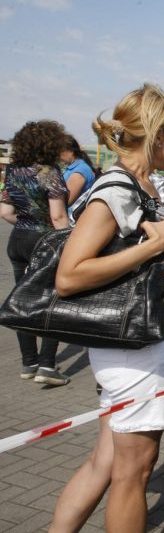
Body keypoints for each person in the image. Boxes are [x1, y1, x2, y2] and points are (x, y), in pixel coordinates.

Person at [50, 83, 164, 532]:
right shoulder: (117, 187)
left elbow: (139, 256)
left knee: (107, 461)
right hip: (135, 349)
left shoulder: (138, 184)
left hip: (135, 342)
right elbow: (69, 275)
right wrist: (155, 249)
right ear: (157, 135)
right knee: (136, 471)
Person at [0, 120, 70, 385]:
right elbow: (58, 216)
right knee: (54, 301)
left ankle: (28, 362)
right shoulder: (49, 172)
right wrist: (70, 242)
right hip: (45, 241)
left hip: (17, 240)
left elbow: (5, 212)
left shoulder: (14, 170)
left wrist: (26, 224)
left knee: (23, 300)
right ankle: (47, 366)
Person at [59, 134, 97, 213]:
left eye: (60, 152)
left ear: (71, 151)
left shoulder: (80, 171)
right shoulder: (73, 168)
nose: (58, 156)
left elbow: (66, 201)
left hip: (72, 220)